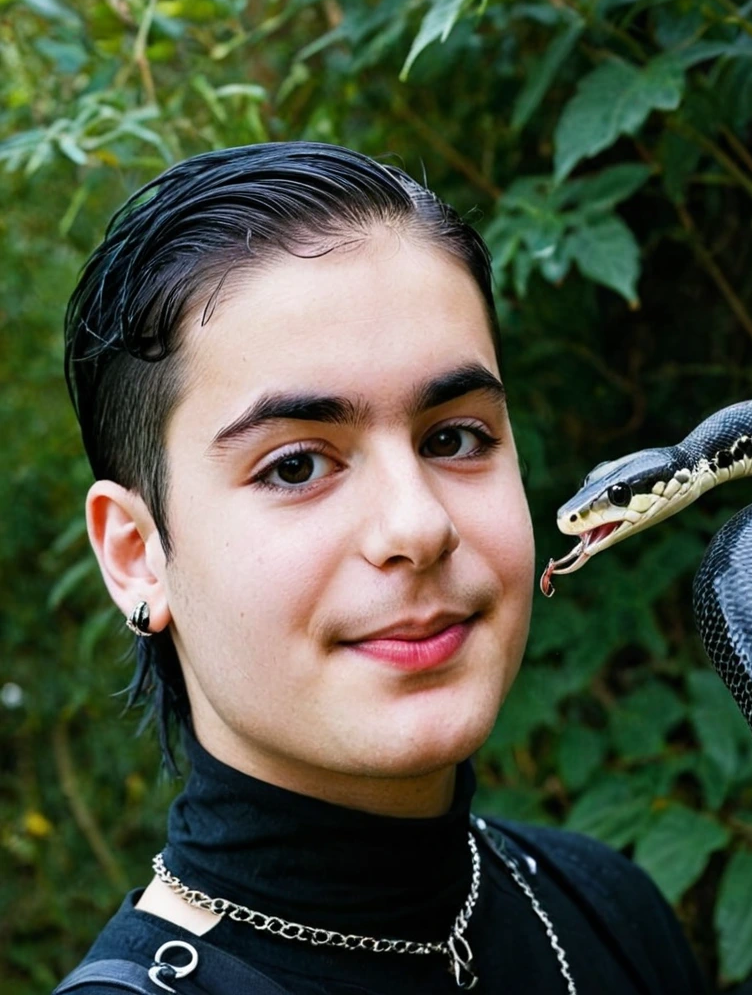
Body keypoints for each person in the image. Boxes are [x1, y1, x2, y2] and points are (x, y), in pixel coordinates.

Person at [53, 142, 707, 995]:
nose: (419, 526)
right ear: (138, 557)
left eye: (454, 439)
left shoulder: (604, 908)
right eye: (296, 466)